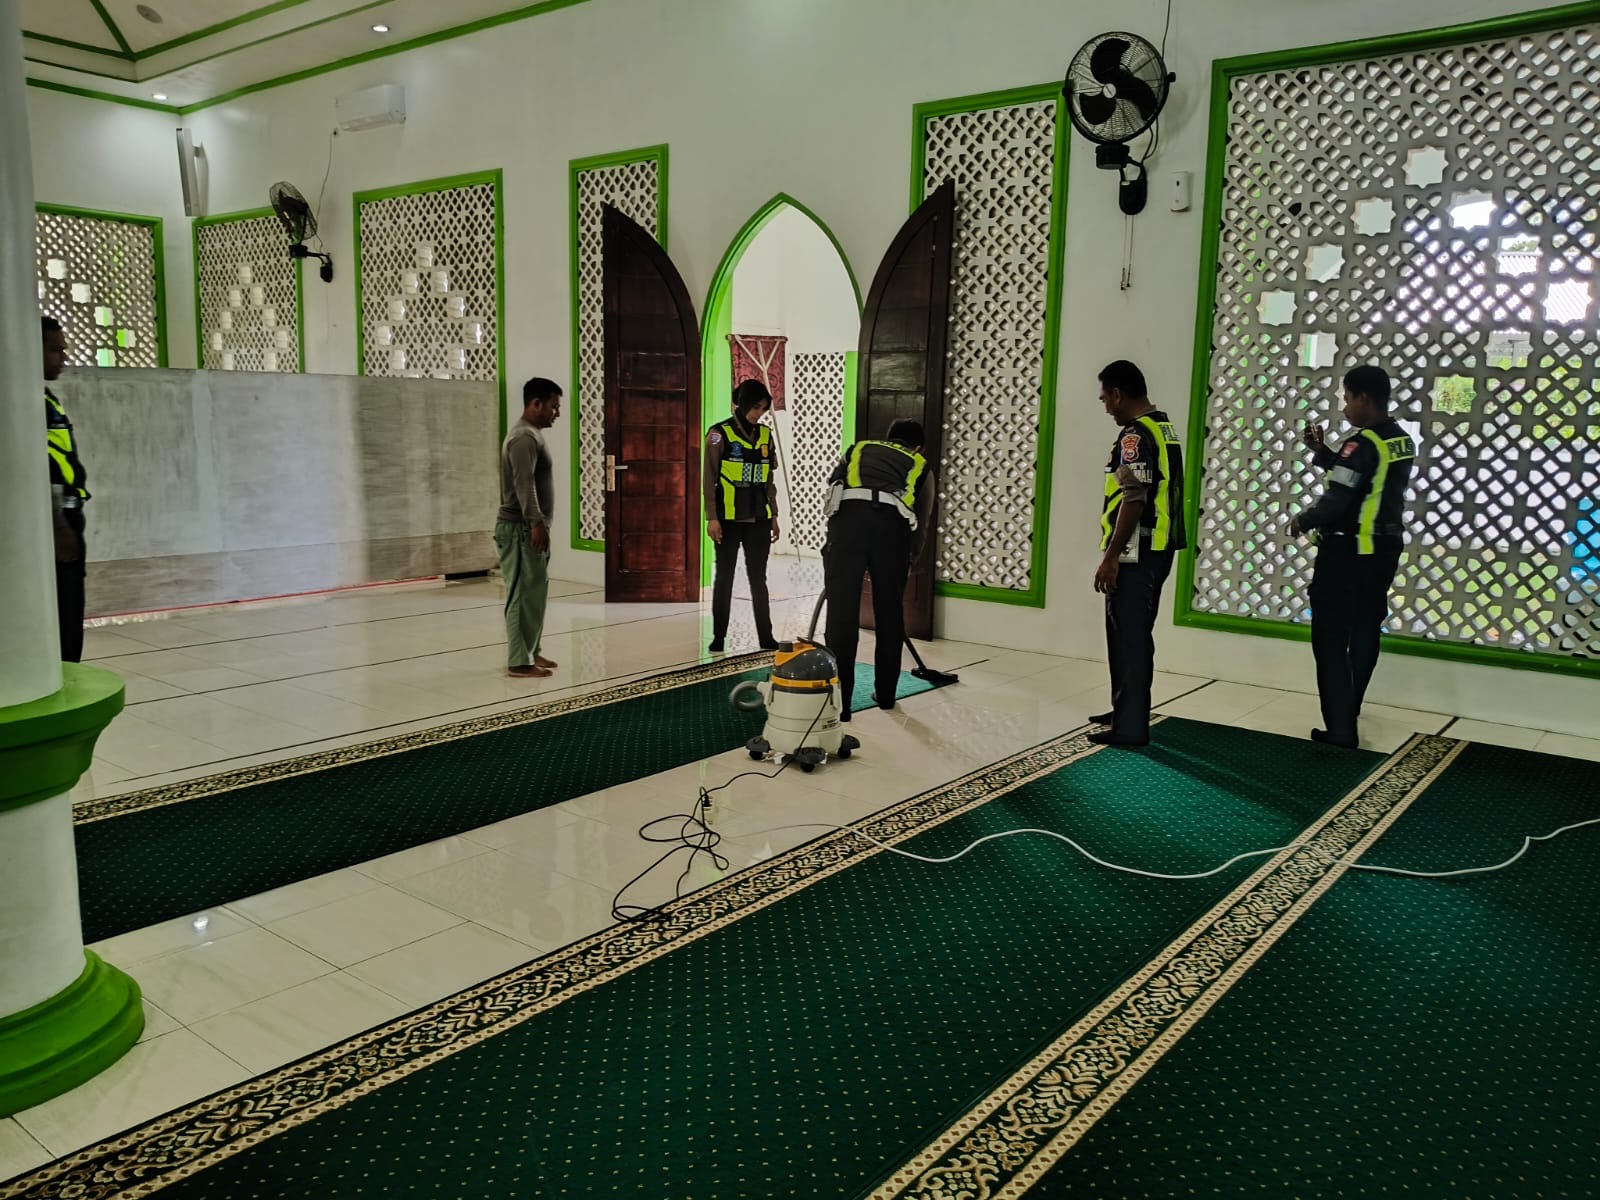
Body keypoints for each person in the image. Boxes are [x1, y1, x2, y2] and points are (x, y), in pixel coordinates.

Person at [1291, 365, 1416, 749]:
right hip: (1383, 552)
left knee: (1329, 640)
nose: (1345, 408)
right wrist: (1322, 453)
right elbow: (1365, 480)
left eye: (1347, 399)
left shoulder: (1361, 444)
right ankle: (1351, 708)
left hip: (1348, 553)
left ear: (1363, 397)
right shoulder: (1400, 440)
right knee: (1364, 631)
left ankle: (1340, 729)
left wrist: (1302, 520)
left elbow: (1339, 498)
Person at [1090, 360, 1187, 748]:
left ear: (1118, 394)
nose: (1105, 408)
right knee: (1131, 634)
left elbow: (1134, 496)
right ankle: (1125, 708)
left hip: (1137, 551)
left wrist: (1111, 556)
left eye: (1104, 399)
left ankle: (1129, 726)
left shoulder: (1134, 436)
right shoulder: (1162, 427)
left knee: (1128, 636)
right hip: (1158, 548)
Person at [821, 418, 935, 719]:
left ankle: (841, 703)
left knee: (841, 616)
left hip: (848, 527)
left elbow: (834, 487)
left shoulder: (857, 449)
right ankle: (885, 696)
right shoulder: (920, 465)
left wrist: (833, 543)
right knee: (889, 614)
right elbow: (922, 521)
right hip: (891, 532)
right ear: (918, 446)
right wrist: (910, 559)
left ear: (888, 437)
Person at [704, 379, 780, 653]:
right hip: (728, 518)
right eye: (755, 407)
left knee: (758, 578)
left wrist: (774, 515)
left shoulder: (765, 435)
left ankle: (766, 636)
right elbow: (709, 478)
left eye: (763, 409)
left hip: (759, 518)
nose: (758, 414)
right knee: (724, 577)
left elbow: (768, 479)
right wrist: (712, 517)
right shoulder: (718, 434)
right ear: (743, 403)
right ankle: (719, 636)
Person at [495, 378, 562, 679]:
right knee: (522, 595)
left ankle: (531, 650)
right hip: (520, 529)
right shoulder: (523, 437)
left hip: (528, 528)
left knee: (534, 593)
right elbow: (524, 485)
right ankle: (519, 662)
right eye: (553, 406)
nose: (557, 413)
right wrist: (536, 523)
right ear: (536, 403)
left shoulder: (531, 434)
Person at [43, 316, 89, 664]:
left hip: (68, 518)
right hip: (54, 525)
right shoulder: (21, 402)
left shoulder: (45, 398)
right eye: (55, 350)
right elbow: (38, 468)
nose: (63, 358)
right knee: (61, 618)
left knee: (70, 614)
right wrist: (59, 525)